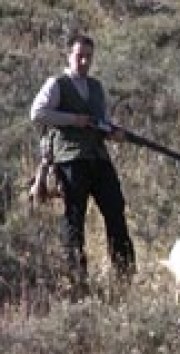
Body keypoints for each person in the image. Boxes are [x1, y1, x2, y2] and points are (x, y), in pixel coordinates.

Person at [30, 34, 135, 299]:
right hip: (69, 161)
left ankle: (125, 276)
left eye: (89, 56)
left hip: (98, 159)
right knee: (74, 219)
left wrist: (114, 133)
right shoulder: (57, 84)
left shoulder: (96, 87)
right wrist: (73, 119)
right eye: (80, 55)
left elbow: (101, 123)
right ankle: (76, 279)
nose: (85, 61)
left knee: (115, 212)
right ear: (69, 55)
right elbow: (38, 113)